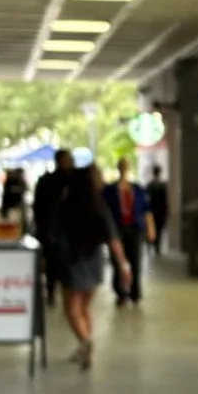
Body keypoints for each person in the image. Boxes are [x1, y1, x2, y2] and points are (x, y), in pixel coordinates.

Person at [52, 158, 131, 369]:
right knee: (85, 307)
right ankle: (84, 345)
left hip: (71, 262)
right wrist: (123, 265)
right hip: (94, 263)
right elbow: (113, 238)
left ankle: (85, 341)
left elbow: (53, 235)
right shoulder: (99, 207)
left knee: (71, 308)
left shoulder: (65, 206)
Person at [103, 156, 154, 307]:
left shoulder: (137, 189)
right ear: (118, 168)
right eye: (121, 166)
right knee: (118, 261)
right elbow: (104, 211)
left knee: (135, 260)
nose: (123, 169)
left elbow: (146, 210)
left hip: (135, 229)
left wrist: (150, 227)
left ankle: (135, 292)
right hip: (116, 230)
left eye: (126, 166)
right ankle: (120, 292)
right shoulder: (109, 190)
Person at [32, 149, 75, 307]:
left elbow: (37, 207)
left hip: (52, 229)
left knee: (52, 262)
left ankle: (52, 291)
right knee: (62, 262)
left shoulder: (47, 180)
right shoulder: (72, 181)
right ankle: (61, 292)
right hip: (62, 229)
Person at [147, 164, 170, 255]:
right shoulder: (162, 185)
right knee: (158, 229)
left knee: (154, 228)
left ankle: (152, 245)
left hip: (154, 210)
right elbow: (165, 200)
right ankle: (156, 247)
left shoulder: (151, 185)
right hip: (159, 210)